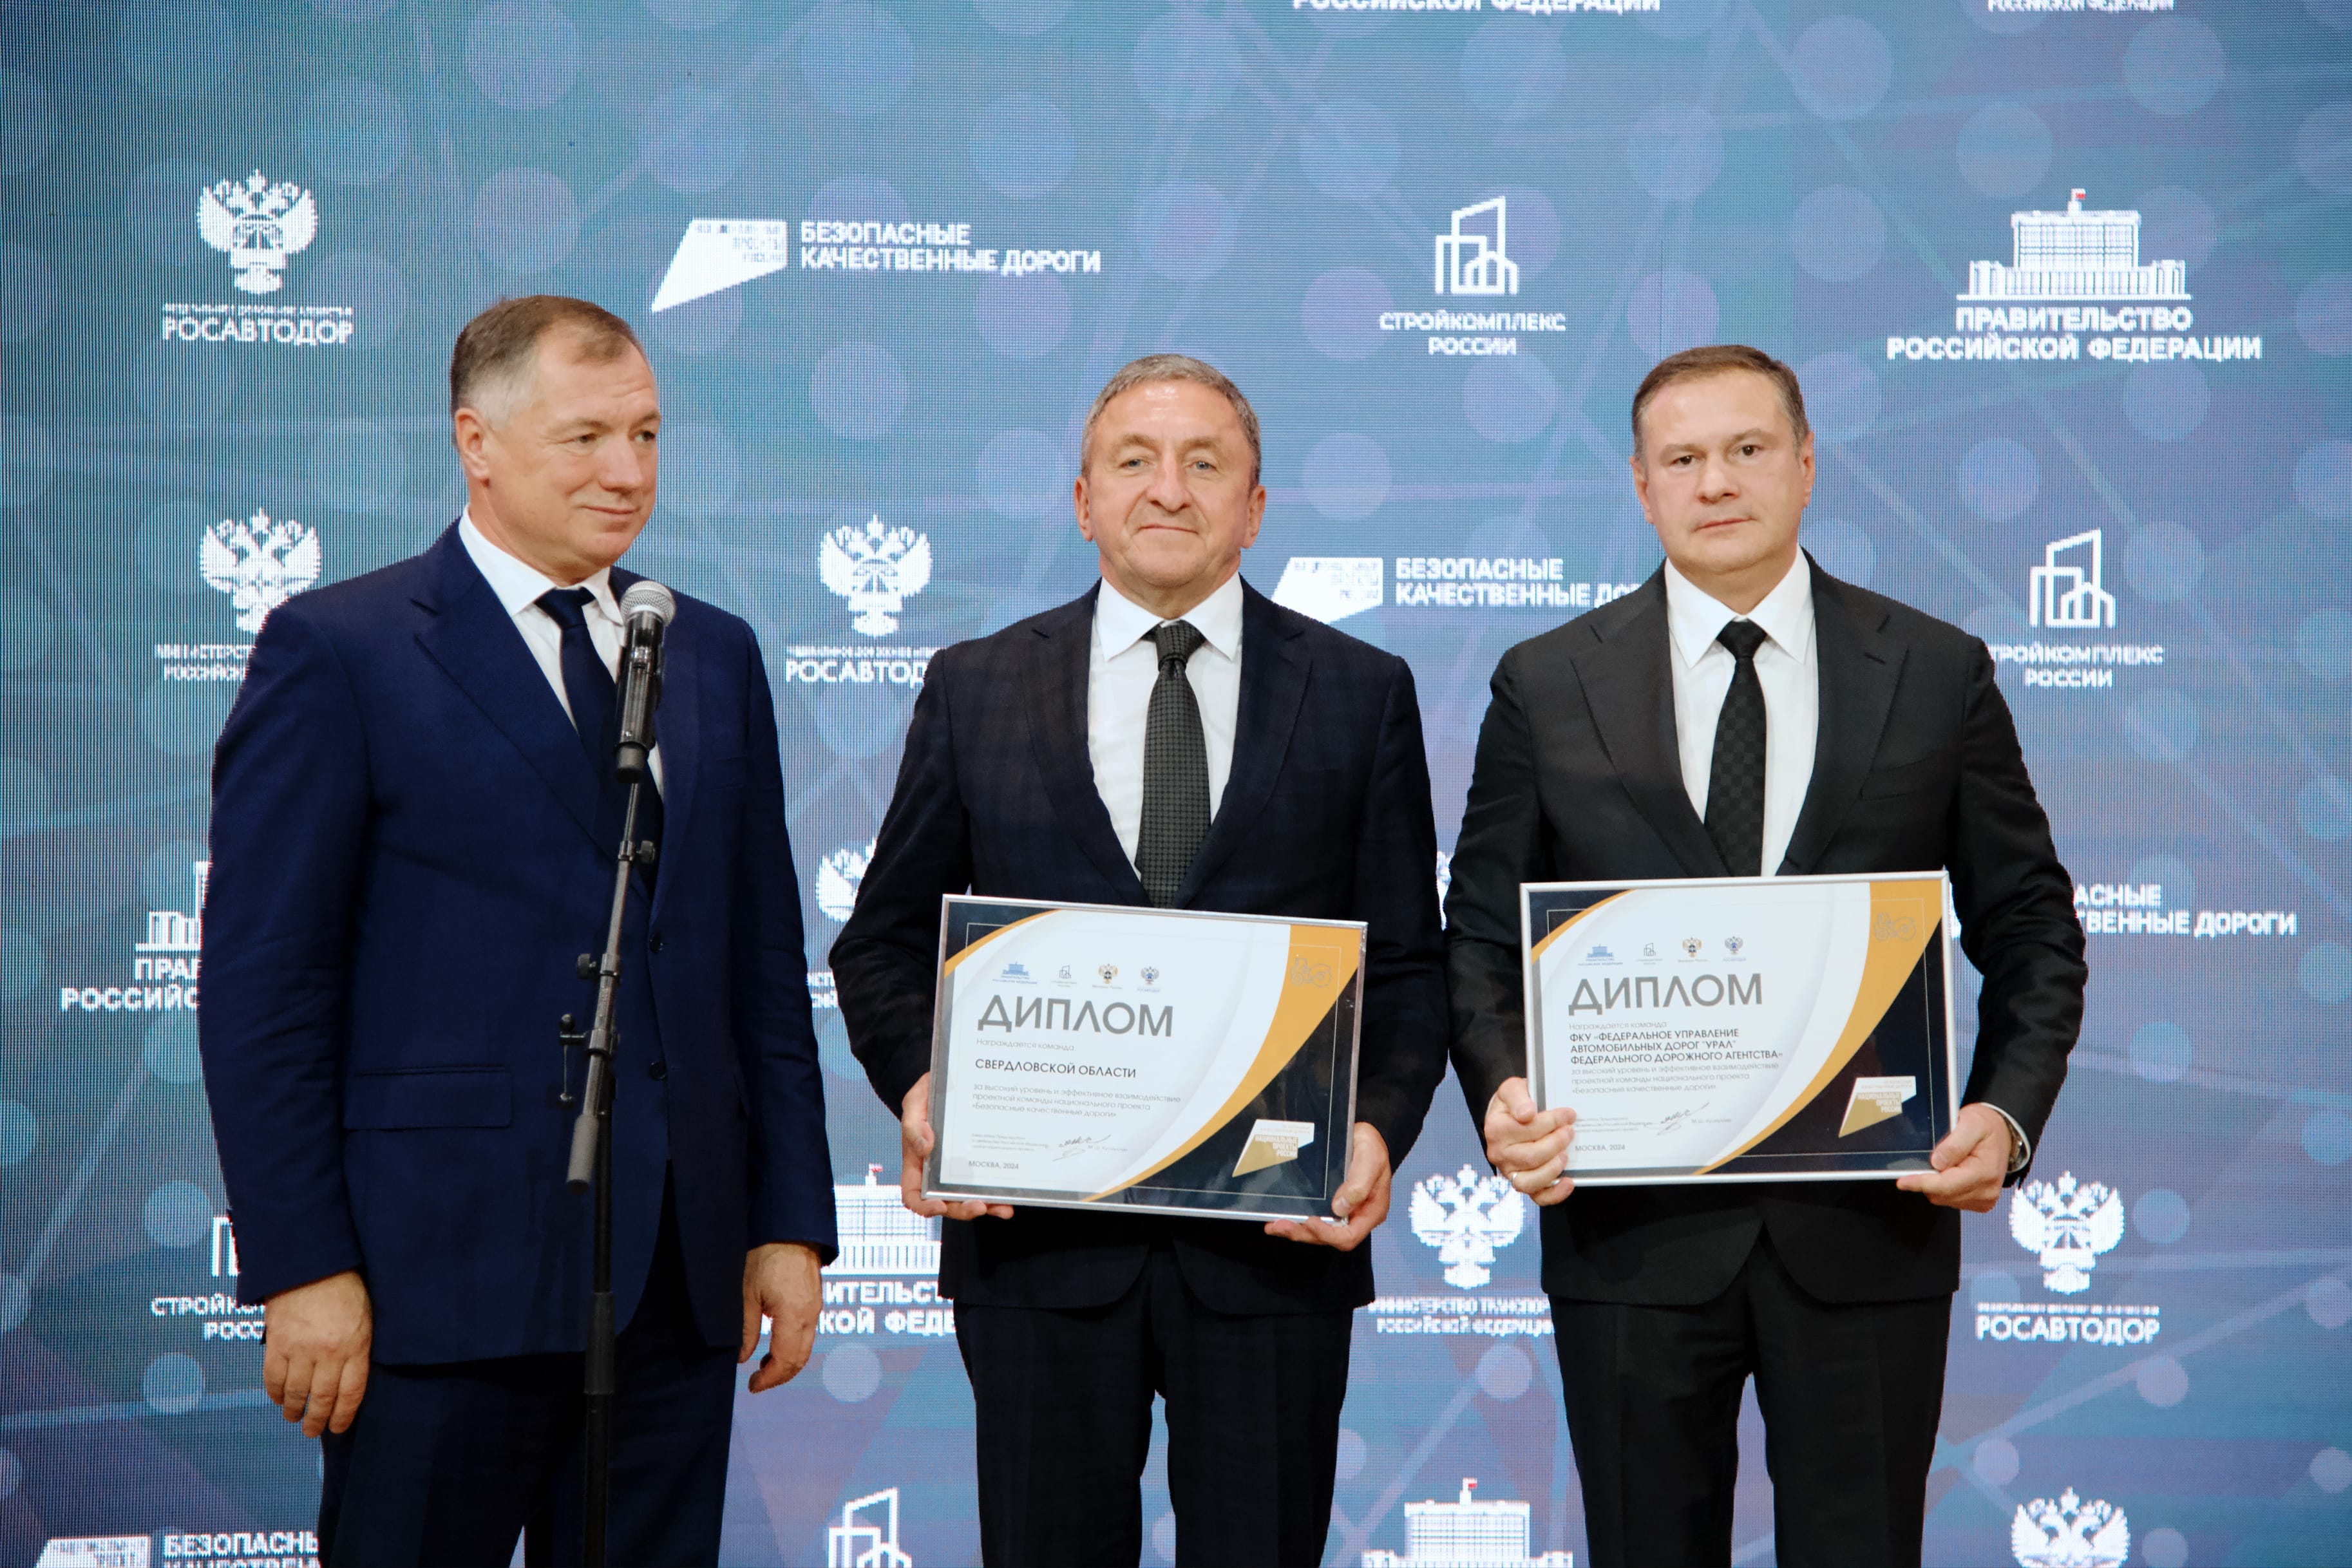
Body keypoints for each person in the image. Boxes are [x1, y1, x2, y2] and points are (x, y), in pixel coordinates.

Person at [198, 295, 837, 1565]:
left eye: (645, 435)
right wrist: (301, 1265)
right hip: (431, 1282)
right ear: (476, 442)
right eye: (585, 437)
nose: (627, 471)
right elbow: (266, 987)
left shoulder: (710, 652)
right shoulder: (342, 650)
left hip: (673, 1284)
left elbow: (760, 967)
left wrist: (787, 1221)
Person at [1445, 344, 2085, 1568]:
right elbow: (1478, 935)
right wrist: (1503, 1092)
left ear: (1805, 464)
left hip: (1871, 1230)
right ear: (1642, 488)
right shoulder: (1548, 682)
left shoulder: (1935, 669)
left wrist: (2004, 1117)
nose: (1717, 481)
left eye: (1747, 449)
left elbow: (2032, 929)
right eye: (1682, 458)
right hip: (1628, 1237)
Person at [831, 354, 1448, 1567]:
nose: (1169, 488)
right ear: (1083, 501)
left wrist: (1375, 1128)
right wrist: (925, 1090)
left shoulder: (1360, 692)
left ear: (1254, 508)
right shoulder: (976, 685)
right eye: (1135, 461)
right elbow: (883, 943)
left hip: (1272, 1248)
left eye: (1205, 464)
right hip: (1038, 1249)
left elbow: (1409, 968)